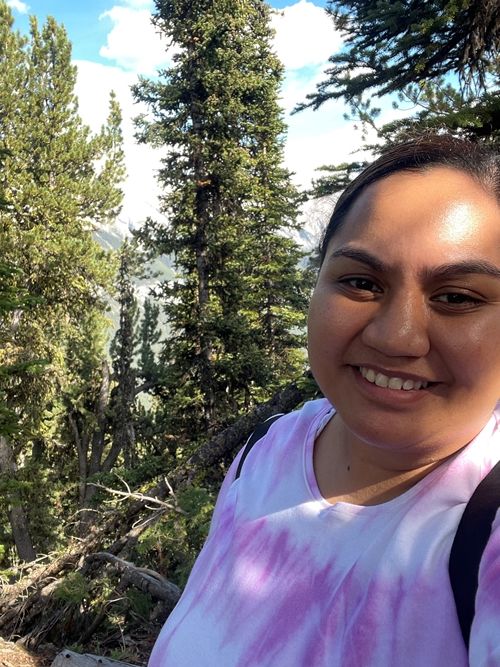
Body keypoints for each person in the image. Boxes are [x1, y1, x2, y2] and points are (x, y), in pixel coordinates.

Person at [149, 135, 500, 666]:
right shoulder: (265, 452)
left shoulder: (486, 529)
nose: (397, 337)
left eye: (457, 297)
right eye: (361, 282)